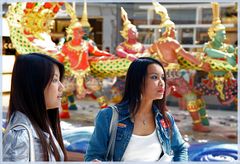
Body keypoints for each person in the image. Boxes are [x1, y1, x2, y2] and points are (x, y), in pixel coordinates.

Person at [85, 57, 188, 162]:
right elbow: (93, 156)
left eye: (163, 78)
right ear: (137, 81)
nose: (162, 83)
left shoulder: (165, 119)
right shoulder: (108, 116)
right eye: (154, 77)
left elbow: (181, 148)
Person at [146, 2, 211, 132]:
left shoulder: (156, 44)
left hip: (162, 75)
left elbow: (146, 55)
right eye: (174, 29)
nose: (174, 31)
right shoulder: (172, 42)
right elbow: (186, 55)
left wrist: (158, 62)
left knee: (160, 98)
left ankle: (159, 121)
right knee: (191, 96)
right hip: (174, 75)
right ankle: (197, 124)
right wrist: (201, 64)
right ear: (169, 30)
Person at [3, 53, 67, 161]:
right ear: (35, 85)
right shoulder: (20, 136)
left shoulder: (43, 123)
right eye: (55, 80)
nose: (62, 87)